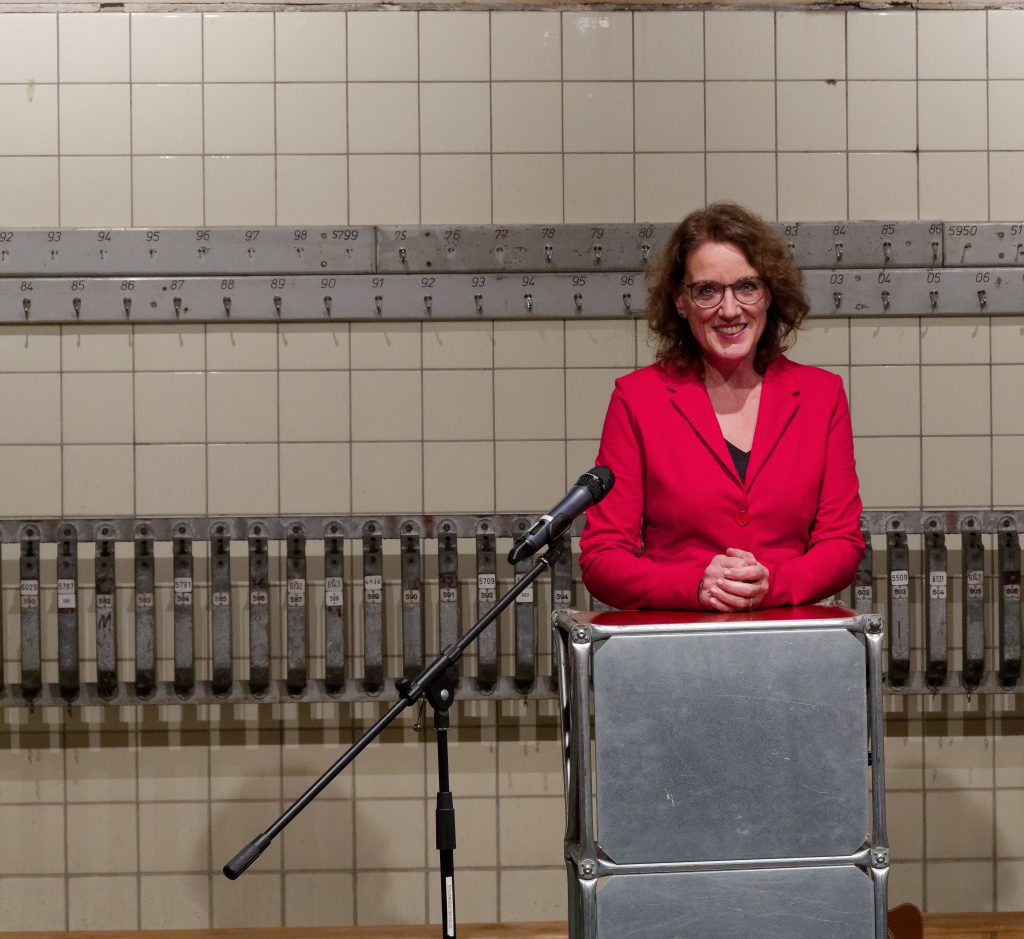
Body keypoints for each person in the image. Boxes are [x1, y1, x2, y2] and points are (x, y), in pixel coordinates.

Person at [579, 202, 864, 611]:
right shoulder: (637, 399)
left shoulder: (822, 395)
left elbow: (842, 543)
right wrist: (692, 585)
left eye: (746, 286)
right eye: (707, 290)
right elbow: (603, 558)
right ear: (680, 301)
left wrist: (774, 584)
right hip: (675, 648)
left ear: (769, 293)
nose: (730, 310)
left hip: (790, 647)